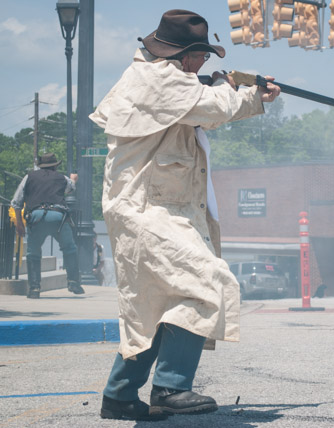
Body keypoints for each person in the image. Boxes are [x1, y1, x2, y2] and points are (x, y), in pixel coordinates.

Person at [89, 9, 280, 422]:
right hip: (145, 209)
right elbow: (209, 106)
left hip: (160, 208)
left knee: (159, 305)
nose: (204, 64)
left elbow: (204, 105)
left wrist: (244, 94)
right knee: (207, 283)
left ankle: (120, 396)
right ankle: (171, 386)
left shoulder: (167, 79)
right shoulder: (156, 79)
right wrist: (239, 90)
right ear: (186, 55)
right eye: (202, 57)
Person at [11, 153, 84, 299]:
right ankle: (73, 281)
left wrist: (19, 223)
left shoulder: (29, 177)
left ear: (40, 165)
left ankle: (34, 288)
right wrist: (74, 180)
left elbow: (16, 202)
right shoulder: (61, 178)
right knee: (69, 248)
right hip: (58, 216)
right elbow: (70, 188)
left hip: (36, 216)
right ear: (55, 165)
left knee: (33, 253)